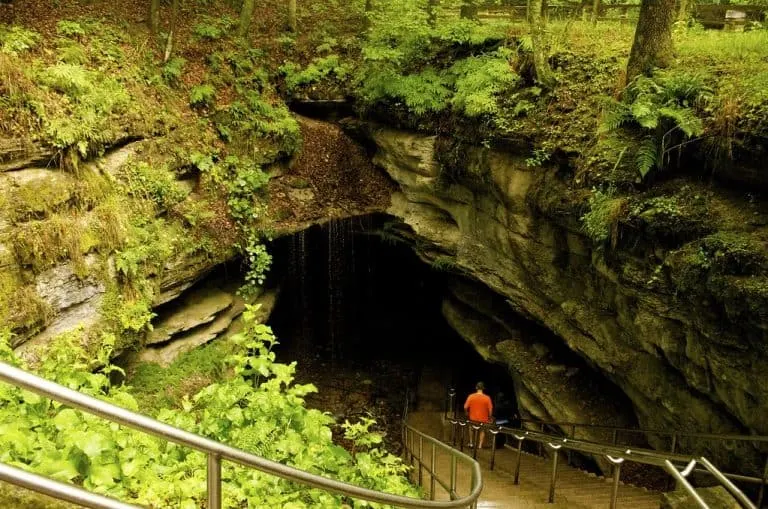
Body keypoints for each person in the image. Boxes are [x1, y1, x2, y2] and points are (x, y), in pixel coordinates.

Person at [463, 382, 493, 448]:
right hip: (483, 419)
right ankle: (480, 445)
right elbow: (490, 409)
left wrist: (466, 412)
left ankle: (471, 443)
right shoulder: (487, 398)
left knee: (471, 428)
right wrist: (490, 417)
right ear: (483, 388)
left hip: (473, 418)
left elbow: (465, 407)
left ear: (476, 387)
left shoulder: (471, 396)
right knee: (482, 430)